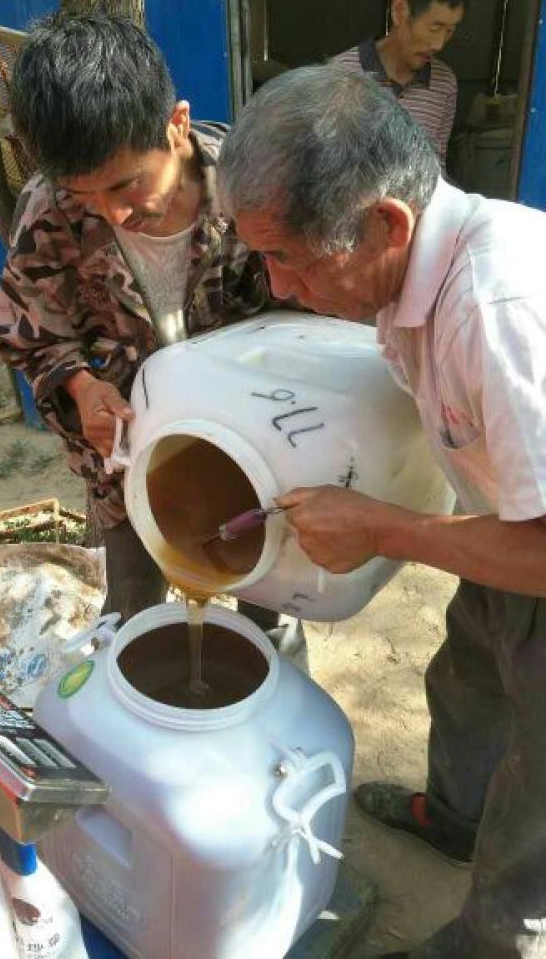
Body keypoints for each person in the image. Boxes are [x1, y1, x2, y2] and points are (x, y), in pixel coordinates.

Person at [218, 64, 546, 959]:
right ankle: (451, 816)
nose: (279, 286)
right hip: (508, 528)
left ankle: (488, 942)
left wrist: (382, 527)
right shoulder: (415, 276)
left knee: (536, 815)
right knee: (469, 677)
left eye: (290, 256)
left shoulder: (497, 307)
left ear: (385, 222)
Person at [0, 12, 307, 668]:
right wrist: (80, 385)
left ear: (177, 125)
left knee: (270, 611)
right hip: (130, 471)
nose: (111, 212)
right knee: (133, 608)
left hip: (258, 457)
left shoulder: (254, 192)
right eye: (85, 193)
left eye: (126, 184)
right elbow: (30, 332)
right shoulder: (49, 211)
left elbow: (309, 321)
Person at [332, 0, 468, 165]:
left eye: (450, 30)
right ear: (400, 9)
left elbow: (436, 168)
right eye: (435, 27)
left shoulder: (444, 85)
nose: (439, 44)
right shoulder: (339, 74)